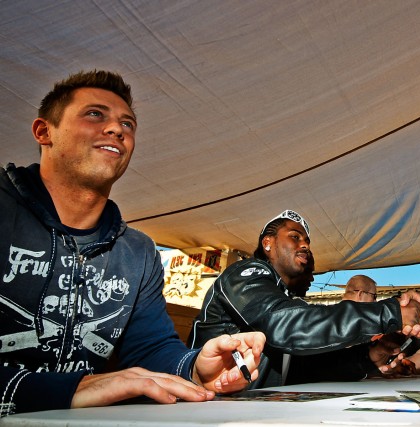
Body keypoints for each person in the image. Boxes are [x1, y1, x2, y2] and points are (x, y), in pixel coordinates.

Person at [0, 70, 266, 417]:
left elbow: (151, 348)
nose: (117, 129)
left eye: (128, 124)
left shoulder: (138, 252)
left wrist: (197, 369)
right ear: (44, 131)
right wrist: (67, 389)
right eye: (95, 114)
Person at [189, 209, 420, 388]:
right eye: (295, 237)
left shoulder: (288, 299)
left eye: (307, 241)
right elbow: (286, 325)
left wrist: (367, 358)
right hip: (210, 408)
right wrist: (389, 311)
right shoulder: (244, 274)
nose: (305, 245)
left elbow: (301, 370)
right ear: (267, 243)